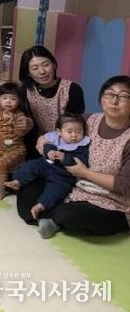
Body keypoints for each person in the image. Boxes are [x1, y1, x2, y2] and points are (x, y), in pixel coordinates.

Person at [17, 76, 130, 238]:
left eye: (123, 96)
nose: (114, 101)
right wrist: (43, 141)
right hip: (71, 185)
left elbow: (124, 185)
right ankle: (51, 217)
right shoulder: (88, 120)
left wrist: (84, 173)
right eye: (109, 94)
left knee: (71, 215)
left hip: (109, 201)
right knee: (28, 188)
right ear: (101, 98)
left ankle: (53, 216)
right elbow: (56, 133)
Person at [6, 113, 89, 236]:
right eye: (70, 131)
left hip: (63, 175)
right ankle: (18, 181)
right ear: (59, 132)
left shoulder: (82, 145)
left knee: (56, 190)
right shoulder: (56, 138)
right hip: (46, 164)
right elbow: (47, 145)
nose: (74, 135)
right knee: (31, 165)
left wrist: (66, 158)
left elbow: (83, 160)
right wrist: (48, 151)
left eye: (78, 132)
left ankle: (41, 206)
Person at [19, 45, 85, 134]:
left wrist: (48, 138)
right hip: (33, 139)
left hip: (65, 139)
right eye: (35, 68)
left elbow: (74, 125)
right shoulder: (24, 91)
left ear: (53, 64)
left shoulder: (72, 89)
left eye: (46, 65)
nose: (42, 71)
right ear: (28, 73)